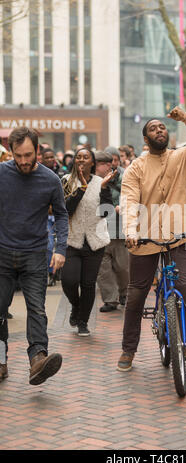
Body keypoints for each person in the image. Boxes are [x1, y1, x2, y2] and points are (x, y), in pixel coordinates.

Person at [117, 106, 186, 372]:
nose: (159, 130)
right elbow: (128, 201)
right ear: (146, 141)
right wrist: (130, 231)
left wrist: (185, 117)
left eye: (162, 127)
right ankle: (128, 349)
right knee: (136, 295)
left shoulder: (183, 156)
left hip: (178, 237)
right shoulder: (135, 168)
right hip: (143, 239)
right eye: (153, 128)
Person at [0, 127, 68, 385]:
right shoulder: (2, 173)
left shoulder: (50, 179)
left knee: (37, 309)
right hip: (2, 253)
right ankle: (0, 360)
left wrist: (60, 249)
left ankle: (38, 359)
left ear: (37, 150)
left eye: (28, 155)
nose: (23, 161)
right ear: (12, 153)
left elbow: (61, 214)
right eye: (18, 156)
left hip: (35, 253)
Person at [61, 147, 115, 337]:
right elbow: (66, 210)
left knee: (88, 284)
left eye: (86, 157)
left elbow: (107, 213)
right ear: (75, 161)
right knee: (68, 280)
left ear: (93, 162)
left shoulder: (101, 182)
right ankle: (76, 306)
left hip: (95, 241)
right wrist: (81, 189)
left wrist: (105, 189)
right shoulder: (66, 181)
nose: (82, 160)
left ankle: (83, 321)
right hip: (72, 240)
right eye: (79, 157)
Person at [95, 151, 129, 312]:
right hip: (99, 231)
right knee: (103, 269)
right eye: (106, 163)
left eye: (113, 161)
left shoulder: (125, 178)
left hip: (119, 231)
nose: (111, 165)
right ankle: (110, 299)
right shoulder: (93, 181)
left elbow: (131, 195)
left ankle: (124, 293)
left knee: (123, 267)